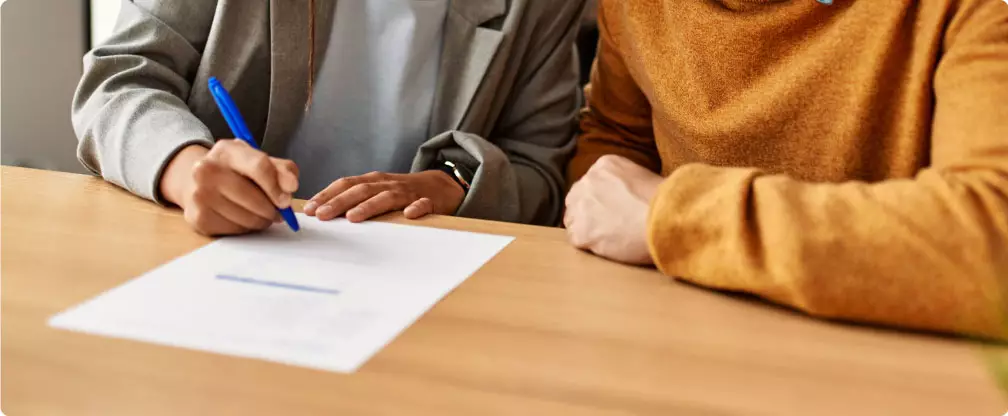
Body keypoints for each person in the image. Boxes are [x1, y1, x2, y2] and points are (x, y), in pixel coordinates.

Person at [564, 0, 1008, 340]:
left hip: (880, 351)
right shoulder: (632, 7)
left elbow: (992, 239)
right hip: (676, 331)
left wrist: (676, 220)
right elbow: (614, 146)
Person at [73, 0, 585, 236]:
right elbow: (120, 82)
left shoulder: (539, 7)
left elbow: (540, 169)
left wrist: (452, 182)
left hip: (417, 281)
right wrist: (187, 171)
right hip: (225, 253)